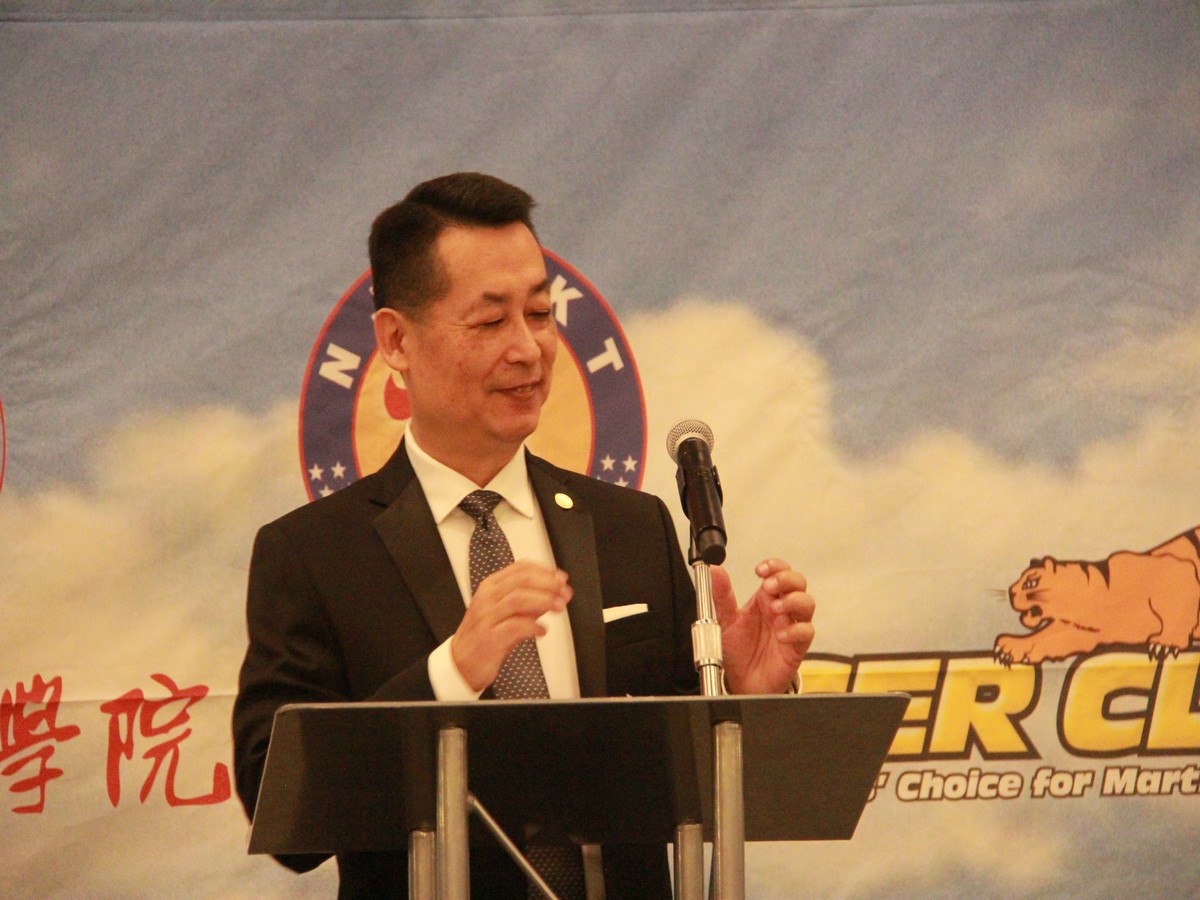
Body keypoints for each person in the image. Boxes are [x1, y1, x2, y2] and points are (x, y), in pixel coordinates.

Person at [232, 173, 816, 898]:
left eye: (540, 314)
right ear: (396, 341)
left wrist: (734, 696)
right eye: (489, 322)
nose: (528, 350)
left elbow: (683, 778)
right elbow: (279, 810)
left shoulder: (631, 527)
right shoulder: (314, 554)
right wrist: (451, 675)